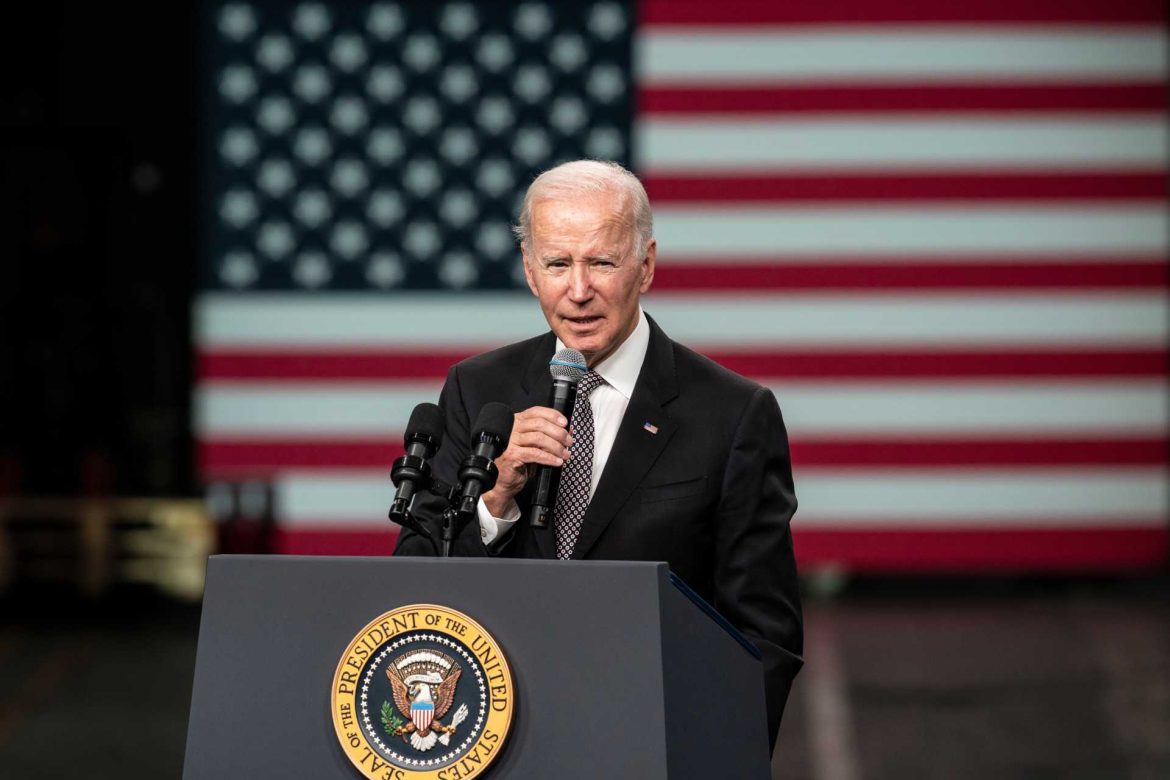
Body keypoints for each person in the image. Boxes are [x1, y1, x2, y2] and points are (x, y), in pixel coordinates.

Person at [394, 160, 802, 748]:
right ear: (530, 271)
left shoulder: (733, 414)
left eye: (602, 263)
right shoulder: (477, 390)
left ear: (646, 265)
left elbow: (764, 634)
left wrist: (710, 755)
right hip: (494, 740)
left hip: (652, 736)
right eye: (558, 264)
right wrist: (495, 497)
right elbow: (415, 582)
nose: (579, 290)